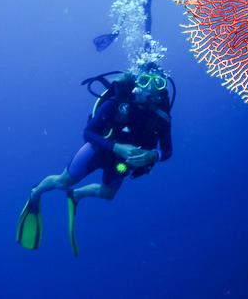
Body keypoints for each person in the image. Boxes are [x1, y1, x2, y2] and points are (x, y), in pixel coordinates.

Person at [16, 62, 173, 255]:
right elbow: (88, 133)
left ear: (162, 88)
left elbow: (167, 151)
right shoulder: (117, 102)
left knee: (108, 194)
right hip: (97, 150)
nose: (149, 89)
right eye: (143, 80)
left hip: (122, 163)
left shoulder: (162, 118)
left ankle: (76, 195)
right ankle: (35, 193)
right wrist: (118, 147)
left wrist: (152, 155)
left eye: (157, 83)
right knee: (64, 180)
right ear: (135, 82)